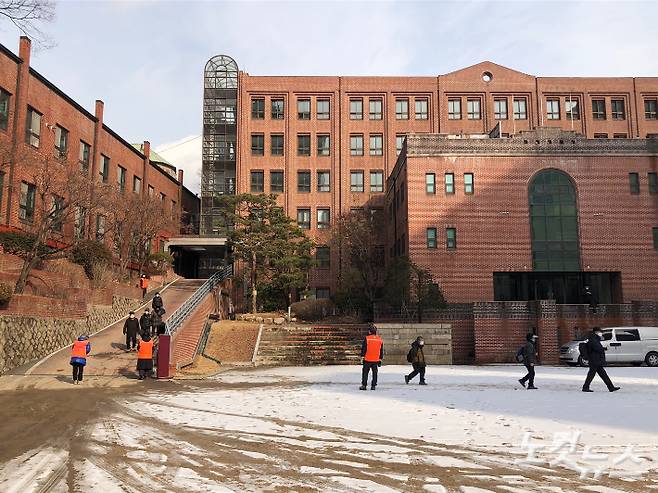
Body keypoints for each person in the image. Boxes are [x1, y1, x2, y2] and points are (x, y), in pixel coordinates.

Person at [583, 327, 620, 393]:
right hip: (594, 359)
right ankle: (585, 387)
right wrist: (603, 349)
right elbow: (596, 348)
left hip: (596, 359)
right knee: (592, 374)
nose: (601, 333)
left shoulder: (595, 338)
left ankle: (611, 387)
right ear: (596, 332)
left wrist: (602, 348)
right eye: (600, 332)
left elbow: (596, 347)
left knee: (602, 374)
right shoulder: (593, 339)